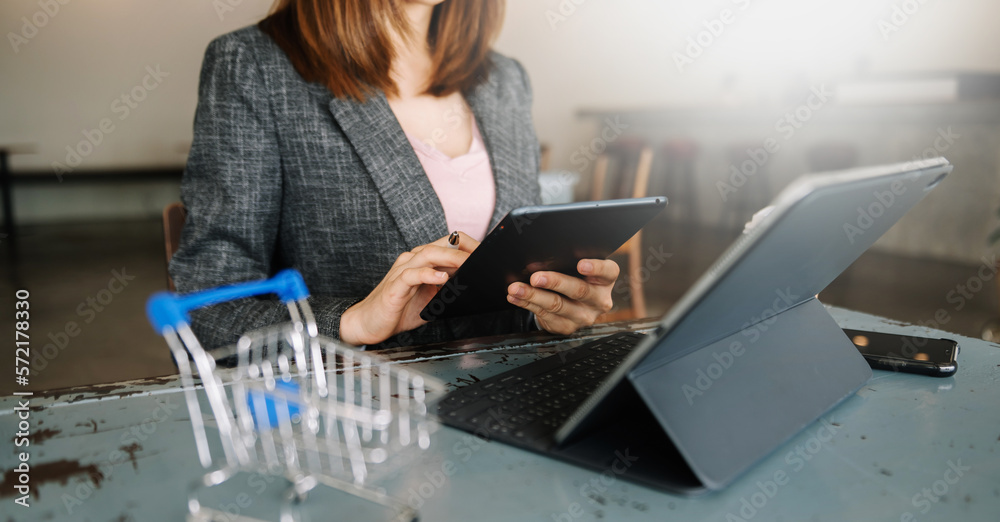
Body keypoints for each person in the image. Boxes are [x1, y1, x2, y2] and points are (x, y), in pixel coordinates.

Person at [170, 0, 619, 351]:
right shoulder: (252, 65)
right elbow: (207, 308)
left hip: (511, 401)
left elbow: (514, 283)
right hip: (359, 427)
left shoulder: (505, 78)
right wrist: (352, 321)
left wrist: (554, 306)